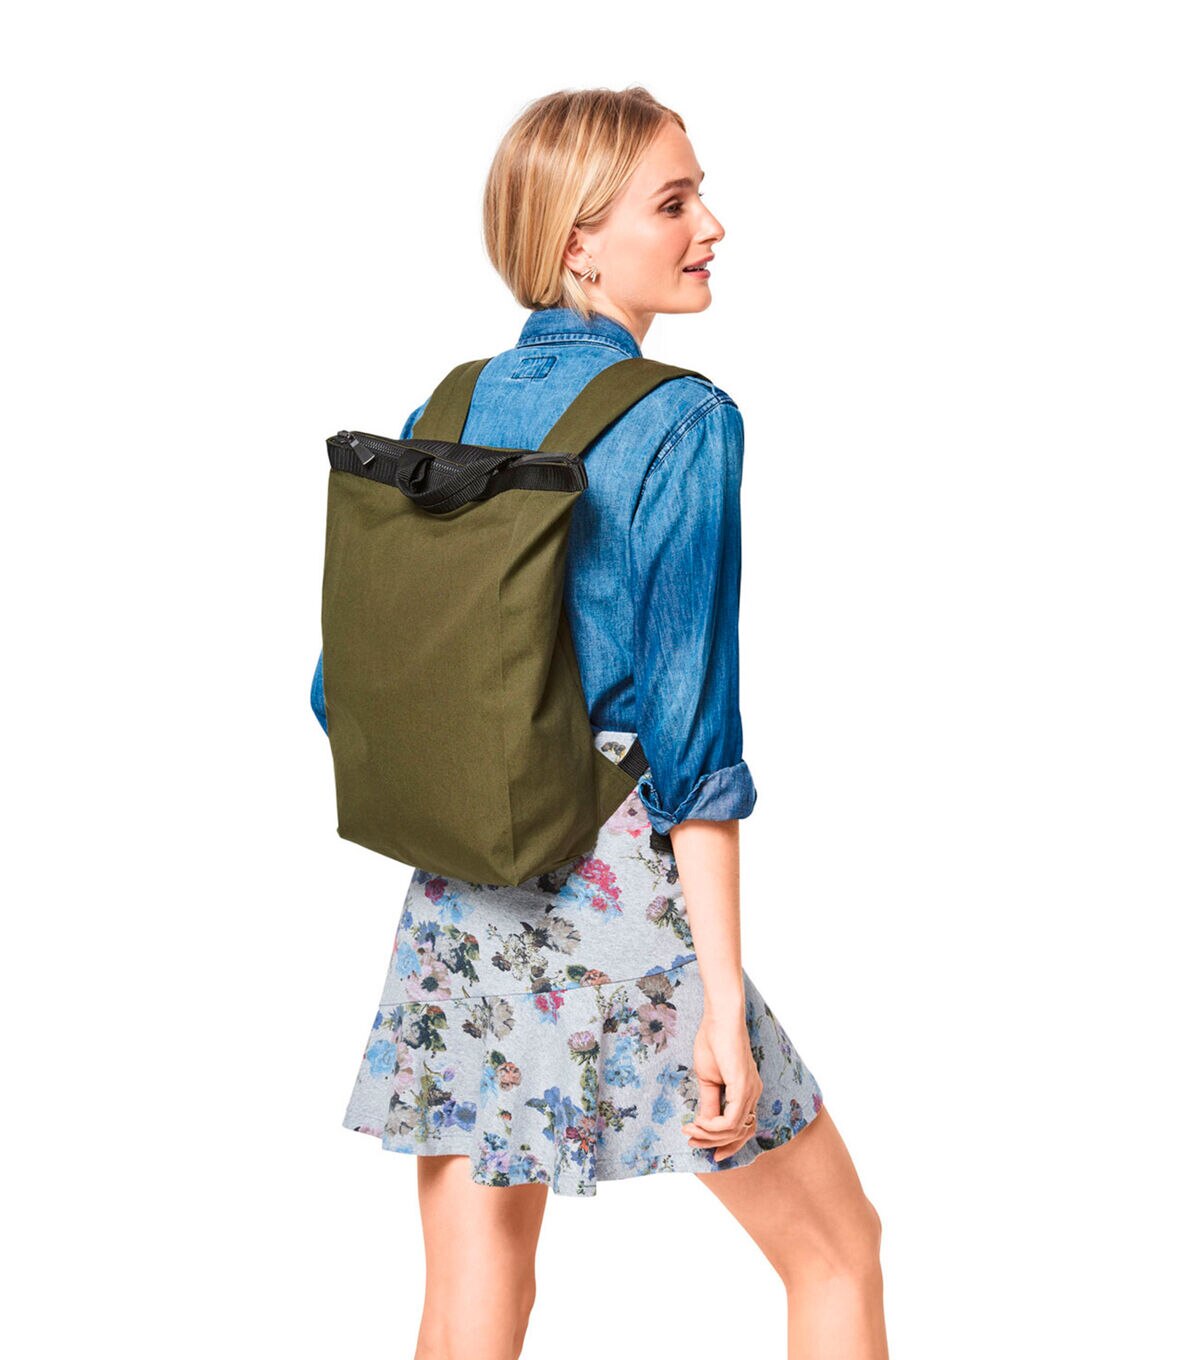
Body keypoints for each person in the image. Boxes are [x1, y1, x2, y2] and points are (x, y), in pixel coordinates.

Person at [312, 87, 888, 1360]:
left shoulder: (445, 409)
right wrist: (721, 1001)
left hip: (457, 894)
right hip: (615, 873)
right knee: (836, 1249)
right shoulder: (685, 420)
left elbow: (337, 687)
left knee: (471, 1296)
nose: (711, 226)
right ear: (581, 240)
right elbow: (693, 744)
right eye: (674, 203)